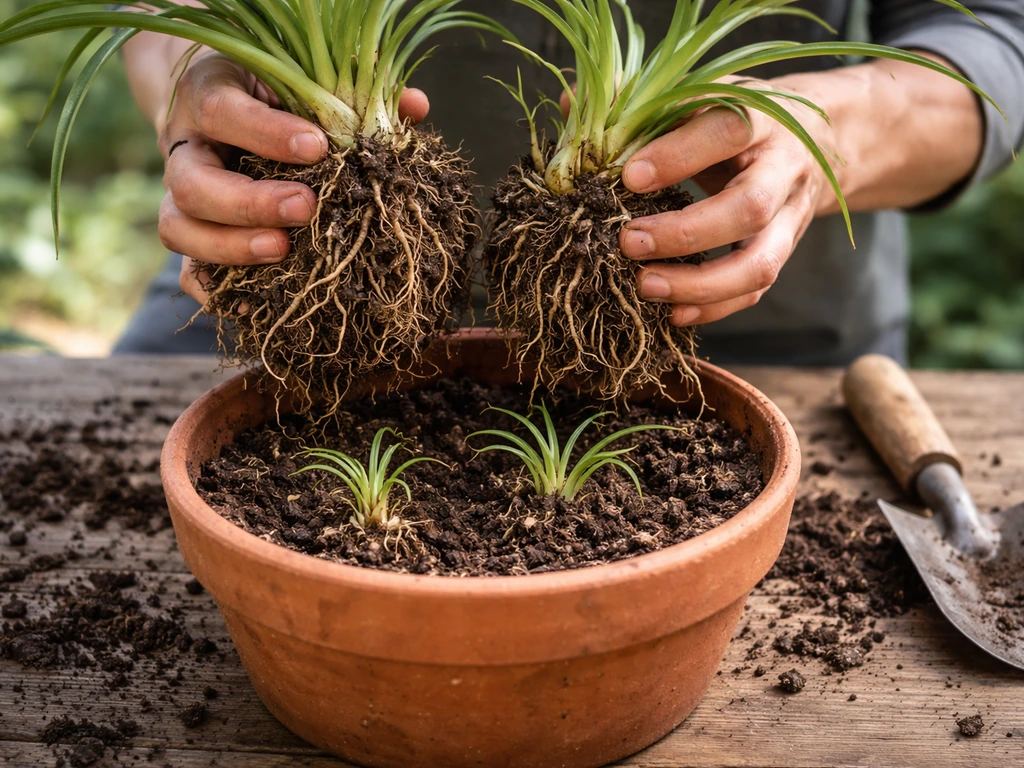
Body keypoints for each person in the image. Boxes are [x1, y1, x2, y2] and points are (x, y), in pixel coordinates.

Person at [113, 0, 1024, 366]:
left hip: (730, 331)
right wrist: (197, 78)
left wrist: (826, 130)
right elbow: (163, 14)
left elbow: (995, 42)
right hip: (297, 288)